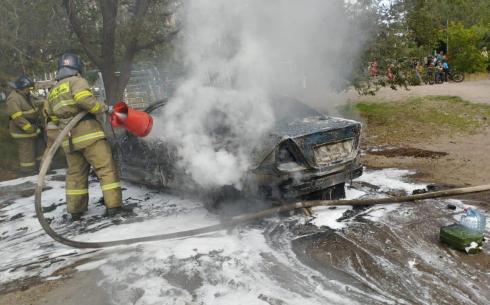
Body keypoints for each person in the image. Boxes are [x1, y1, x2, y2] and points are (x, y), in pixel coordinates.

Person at [46, 52, 124, 220]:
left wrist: (65, 125)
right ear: (77, 67)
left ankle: (76, 210)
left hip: (68, 139)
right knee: (106, 169)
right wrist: (104, 108)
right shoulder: (77, 81)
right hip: (89, 134)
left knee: (76, 174)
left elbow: (51, 117)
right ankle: (114, 207)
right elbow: (85, 101)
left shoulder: (52, 90)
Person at [5, 74, 45, 175]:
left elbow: (31, 106)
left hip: (32, 128)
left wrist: (42, 102)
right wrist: (31, 129)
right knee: (27, 152)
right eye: (29, 88)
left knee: (39, 149)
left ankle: (42, 168)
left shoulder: (25, 95)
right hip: (22, 131)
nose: (30, 90)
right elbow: (18, 118)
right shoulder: (13, 99)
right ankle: (28, 171)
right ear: (22, 88)